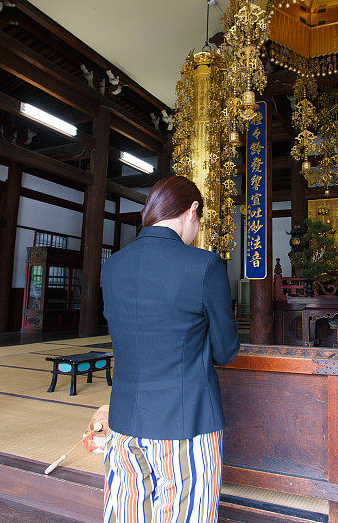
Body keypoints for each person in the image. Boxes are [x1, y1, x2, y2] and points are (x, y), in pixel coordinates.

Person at [101, 175, 240, 523]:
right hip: (185, 422)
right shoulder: (204, 265)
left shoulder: (113, 265)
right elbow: (225, 351)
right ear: (192, 210)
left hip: (124, 423)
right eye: (200, 220)